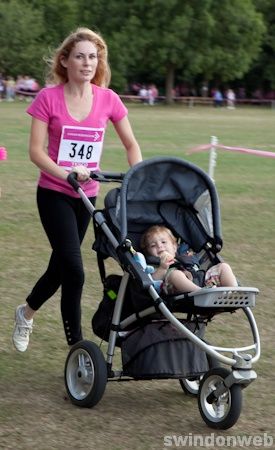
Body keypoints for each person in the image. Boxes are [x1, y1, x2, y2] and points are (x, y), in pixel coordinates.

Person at [12, 27, 142, 352]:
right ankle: (78, 351)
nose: (87, 63)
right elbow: (36, 152)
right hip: (54, 192)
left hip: (87, 196)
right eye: (80, 56)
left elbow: (131, 144)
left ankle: (26, 312)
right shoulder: (48, 98)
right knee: (74, 270)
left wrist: (137, 175)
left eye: (93, 57)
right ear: (65, 61)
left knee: (60, 266)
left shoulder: (108, 99)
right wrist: (67, 173)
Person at [140, 225, 238, 295]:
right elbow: (152, 281)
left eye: (163, 242)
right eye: (153, 245)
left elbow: (199, 266)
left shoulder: (186, 254)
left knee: (223, 266)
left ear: (174, 247)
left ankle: (233, 292)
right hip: (174, 287)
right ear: (148, 251)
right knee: (175, 274)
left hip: (203, 282)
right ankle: (201, 293)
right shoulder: (153, 264)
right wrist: (162, 268)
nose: (159, 246)